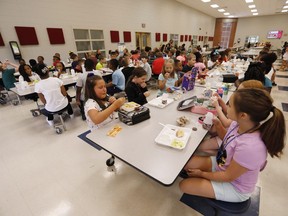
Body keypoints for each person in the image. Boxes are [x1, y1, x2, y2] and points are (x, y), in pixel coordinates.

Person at [180, 88, 286, 203]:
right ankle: (207, 180)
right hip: (223, 163)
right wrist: (218, 124)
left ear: (243, 115)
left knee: (184, 185)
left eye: (229, 106)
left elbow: (228, 176)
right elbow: (228, 139)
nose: (227, 108)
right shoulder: (239, 124)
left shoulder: (251, 147)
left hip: (235, 187)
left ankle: (209, 184)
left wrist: (202, 174)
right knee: (186, 163)